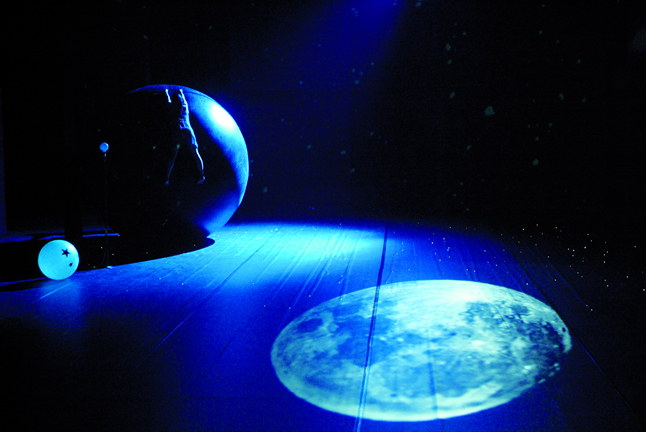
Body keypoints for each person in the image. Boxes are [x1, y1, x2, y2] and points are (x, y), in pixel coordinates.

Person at [164, 88, 206, 185]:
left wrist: (166, 92)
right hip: (188, 131)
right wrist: (181, 92)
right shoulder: (184, 108)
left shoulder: (172, 109)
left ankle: (166, 178)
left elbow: (167, 101)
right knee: (195, 153)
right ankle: (201, 175)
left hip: (178, 131)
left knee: (173, 156)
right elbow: (183, 100)